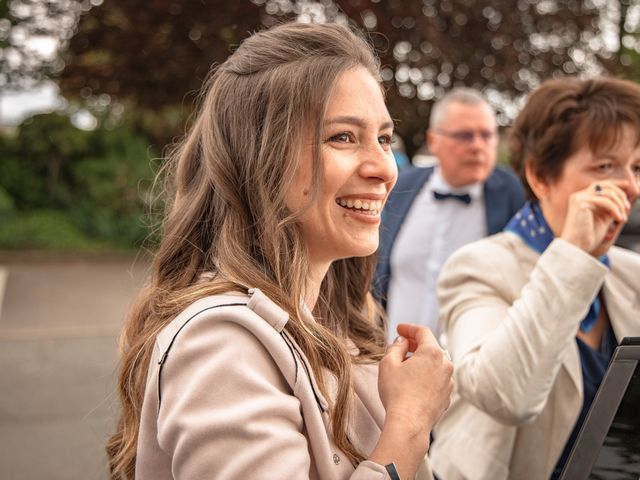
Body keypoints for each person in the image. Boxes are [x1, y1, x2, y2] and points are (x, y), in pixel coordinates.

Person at [105, 22, 454, 480]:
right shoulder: (221, 346)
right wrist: (409, 423)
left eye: (384, 138)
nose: (383, 169)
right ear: (260, 157)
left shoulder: (336, 324)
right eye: (343, 137)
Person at [429, 77, 640, 480]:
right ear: (541, 177)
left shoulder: (631, 275)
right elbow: (506, 395)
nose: (630, 187)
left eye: (636, 167)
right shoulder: (478, 266)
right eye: (605, 167)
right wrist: (573, 254)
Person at [374, 88, 525, 342]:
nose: (478, 146)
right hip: (387, 360)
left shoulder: (514, 195)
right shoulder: (400, 187)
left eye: (487, 135)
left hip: (468, 370)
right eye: (464, 136)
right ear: (433, 141)